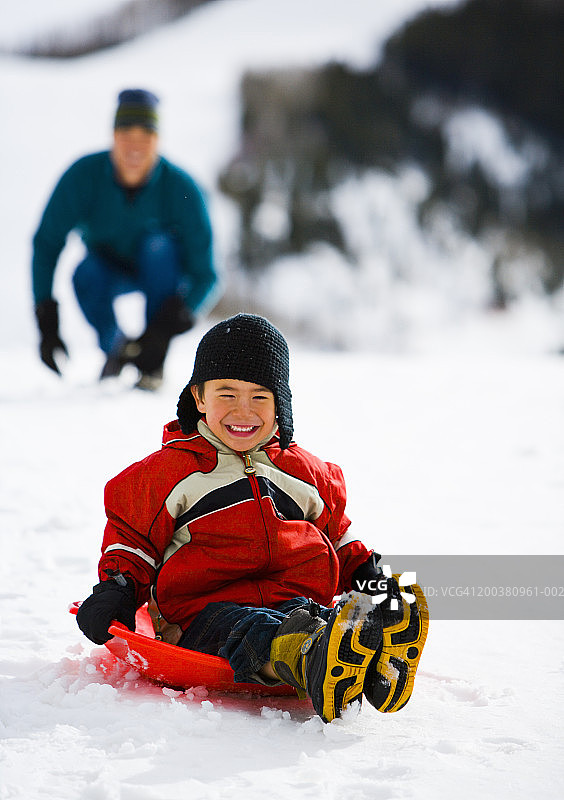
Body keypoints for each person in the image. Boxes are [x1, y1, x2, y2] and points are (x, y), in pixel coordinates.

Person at [76, 314, 429, 722]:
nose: (243, 410)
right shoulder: (167, 473)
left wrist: (368, 572)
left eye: (260, 396)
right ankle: (308, 656)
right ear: (199, 398)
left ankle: (367, 650)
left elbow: (338, 536)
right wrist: (117, 589)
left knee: (314, 618)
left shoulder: (304, 472)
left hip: (298, 599)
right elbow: (132, 540)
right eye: (227, 393)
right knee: (251, 628)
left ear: (281, 400)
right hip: (206, 613)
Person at [32, 88, 219, 390]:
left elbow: (207, 274)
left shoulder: (182, 187)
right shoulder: (83, 176)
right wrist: (46, 320)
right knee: (84, 272)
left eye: (145, 136)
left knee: (158, 247)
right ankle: (116, 349)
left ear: (157, 140)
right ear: (113, 136)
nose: (135, 146)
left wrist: (167, 327)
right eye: (126, 135)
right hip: (106, 267)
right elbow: (46, 242)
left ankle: (152, 361)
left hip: (160, 269)